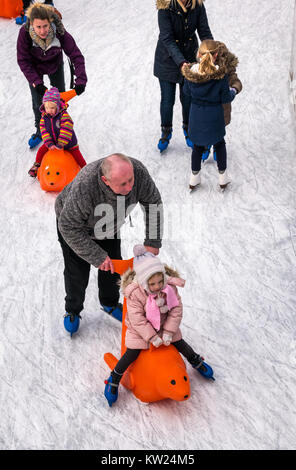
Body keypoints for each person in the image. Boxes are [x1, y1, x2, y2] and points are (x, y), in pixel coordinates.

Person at [55, 154, 163, 335]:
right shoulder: (85, 186)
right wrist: (96, 255)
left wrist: (153, 240)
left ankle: (109, 302)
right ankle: (73, 309)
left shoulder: (138, 172)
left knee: (113, 265)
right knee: (77, 272)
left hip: (108, 224)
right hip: (76, 228)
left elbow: (153, 202)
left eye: (131, 180)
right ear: (105, 180)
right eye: (123, 184)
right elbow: (68, 226)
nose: (130, 188)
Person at [104, 245, 214, 407]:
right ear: (143, 282)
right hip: (140, 332)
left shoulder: (169, 289)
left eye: (160, 281)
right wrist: (151, 337)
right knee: (131, 354)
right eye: (152, 283)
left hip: (164, 327)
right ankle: (114, 378)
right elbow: (138, 320)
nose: (157, 286)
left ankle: (195, 359)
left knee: (181, 344)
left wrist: (169, 331)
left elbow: (176, 310)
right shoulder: (135, 294)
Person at [17, 2, 87, 149]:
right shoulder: (24, 34)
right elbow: (23, 60)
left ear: (50, 22)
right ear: (32, 24)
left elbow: (76, 55)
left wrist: (81, 80)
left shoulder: (59, 32)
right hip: (35, 69)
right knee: (38, 102)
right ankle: (40, 130)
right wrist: (37, 83)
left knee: (59, 99)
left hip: (55, 65)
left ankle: (62, 129)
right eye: (38, 27)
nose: (42, 31)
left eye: (45, 26)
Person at [153, 0, 213, 152]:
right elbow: (167, 38)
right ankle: (166, 132)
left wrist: (211, 53)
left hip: (190, 57)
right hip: (167, 59)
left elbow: (204, 32)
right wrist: (181, 62)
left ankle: (189, 129)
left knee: (188, 98)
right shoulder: (165, 7)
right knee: (167, 99)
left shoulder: (197, 5)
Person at [182, 39, 239, 189]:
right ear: (215, 56)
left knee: (197, 147)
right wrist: (233, 90)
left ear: (199, 54)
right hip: (214, 117)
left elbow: (186, 92)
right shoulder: (220, 76)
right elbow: (226, 97)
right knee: (219, 144)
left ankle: (194, 178)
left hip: (196, 117)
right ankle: (222, 178)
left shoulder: (191, 74)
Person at [28, 87, 86, 177]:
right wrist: (49, 143)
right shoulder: (44, 118)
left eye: (52, 108)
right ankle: (36, 166)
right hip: (53, 142)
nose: (48, 110)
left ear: (57, 106)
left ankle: (85, 169)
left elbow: (66, 129)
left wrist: (61, 143)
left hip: (68, 143)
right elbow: (44, 131)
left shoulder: (63, 116)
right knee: (41, 150)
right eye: (46, 107)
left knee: (77, 155)